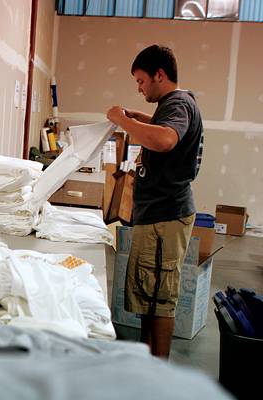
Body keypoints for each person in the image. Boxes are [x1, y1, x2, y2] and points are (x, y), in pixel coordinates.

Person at [106, 44, 203, 358]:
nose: (138, 87)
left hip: (166, 214)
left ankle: (157, 374)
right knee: (149, 295)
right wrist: (140, 117)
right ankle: (148, 360)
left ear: (159, 75)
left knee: (159, 299)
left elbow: (165, 139)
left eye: (141, 80)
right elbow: (169, 130)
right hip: (158, 214)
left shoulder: (177, 103)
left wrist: (123, 121)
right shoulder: (173, 104)